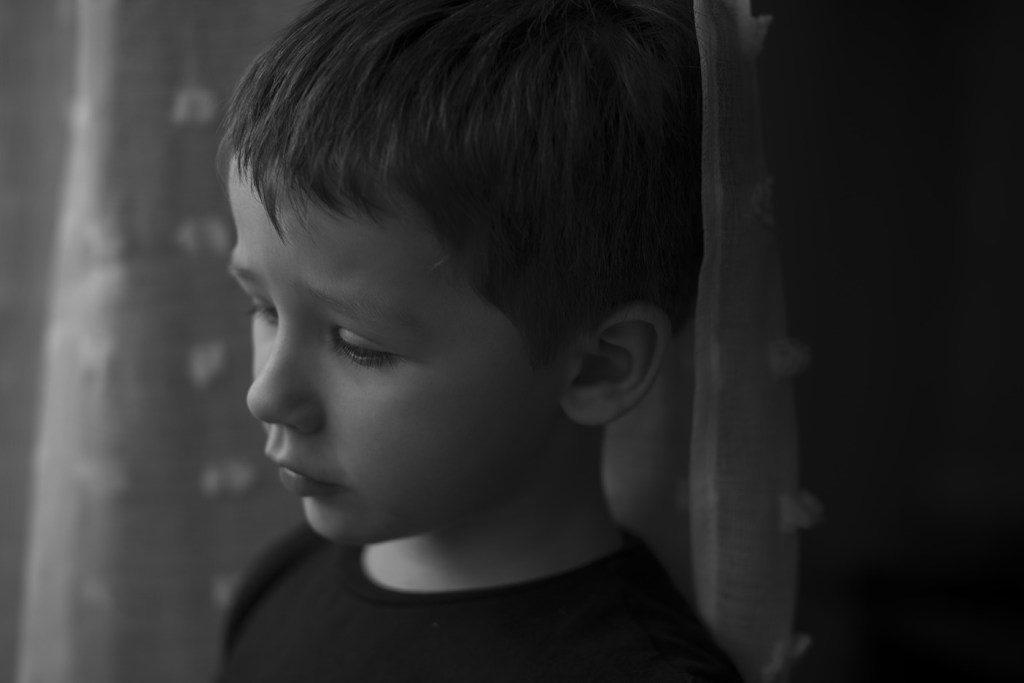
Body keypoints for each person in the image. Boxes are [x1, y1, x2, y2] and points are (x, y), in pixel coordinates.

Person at [214, 0, 744, 680]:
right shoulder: (282, 580)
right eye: (262, 306)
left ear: (598, 368)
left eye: (356, 342)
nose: (266, 393)